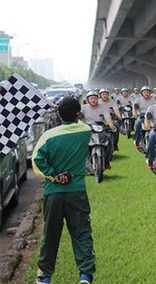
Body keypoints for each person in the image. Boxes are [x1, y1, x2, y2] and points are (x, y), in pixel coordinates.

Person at [32, 97, 96, 284]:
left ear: (58, 114)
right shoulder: (85, 131)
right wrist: (75, 114)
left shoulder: (48, 136)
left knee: (50, 235)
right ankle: (85, 275)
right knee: (81, 233)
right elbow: (80, 120)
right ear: (77, 114)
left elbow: (37, 160)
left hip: (53, 192)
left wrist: (54, 175)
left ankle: (45, 277)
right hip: (77, 192)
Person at [81, 91, 116, 169]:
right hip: (87, 129)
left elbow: (107, 117)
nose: (93, 100)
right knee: (83, 142)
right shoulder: (84, 108)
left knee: (109, 138)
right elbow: (79, 117)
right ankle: (86, 162)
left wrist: (111, 124)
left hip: (101, 128)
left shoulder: (103, 107)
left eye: (95, 98)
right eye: (91, 98)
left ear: (98, 99)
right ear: (88, 99)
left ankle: (107, 160)